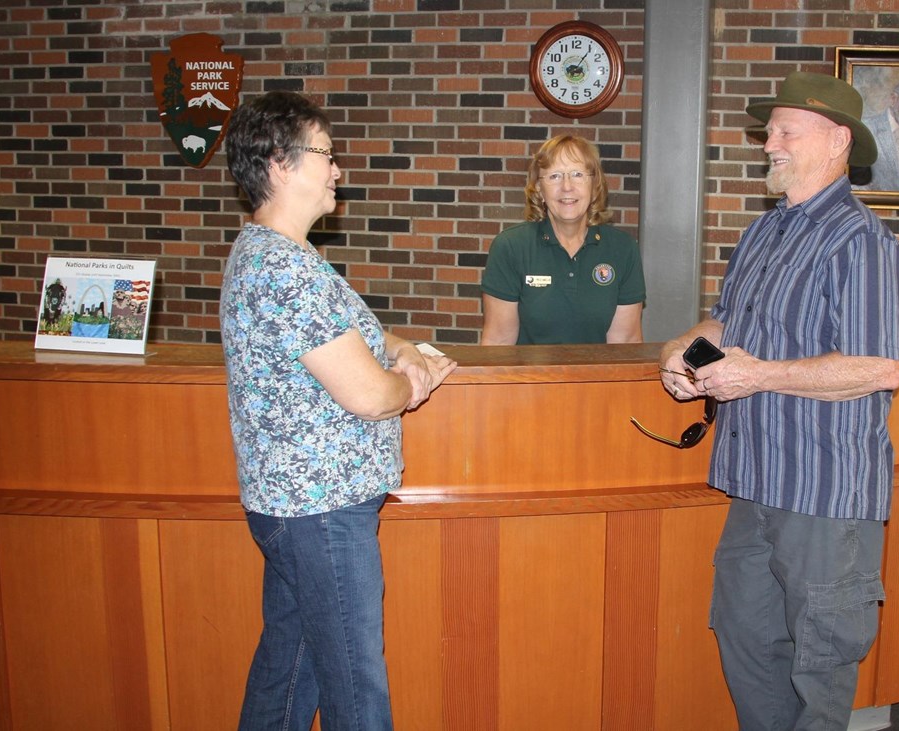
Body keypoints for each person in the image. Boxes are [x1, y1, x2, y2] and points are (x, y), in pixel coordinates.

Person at [658, 71, 899, 730]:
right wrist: (685, 351)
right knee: (745, 639)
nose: (767, 142)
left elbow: (878, 366)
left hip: (824, 497)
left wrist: (760, 376)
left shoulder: (862, 243)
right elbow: (724, 324)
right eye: (767, 130)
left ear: (835, 141)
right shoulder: (763, 233)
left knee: (820, 660)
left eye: (782, 131)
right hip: (753, 486)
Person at [220, 90, 456, 730]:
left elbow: (362, 341)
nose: (337, 170)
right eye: (326, 155)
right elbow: (368, 393)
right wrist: (412, 383)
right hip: (319, 511)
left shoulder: (277, 256)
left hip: (298, 510)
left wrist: (405, 353)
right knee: (356, 685)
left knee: (288, 673)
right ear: (279, 163)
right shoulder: (285, 267)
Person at [480, 134, 646, 344]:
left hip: (596, 376)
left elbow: (625, 342)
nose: (567, 186)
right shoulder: (511, 248)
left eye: (577, 174)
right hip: (529, 377)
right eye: (554, 176)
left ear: (594, 185)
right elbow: (498, 343)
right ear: (539, 189)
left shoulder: (623, 250)